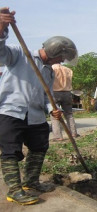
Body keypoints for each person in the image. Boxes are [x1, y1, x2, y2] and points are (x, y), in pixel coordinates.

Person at [0, 7, 77, 205]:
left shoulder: (49, 71)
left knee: (40, 146)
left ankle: (31, 182)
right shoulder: (19, 54)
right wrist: (1, 27)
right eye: (61, 57)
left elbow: (46, 95)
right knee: (10, 151)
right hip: (11, 112)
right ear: (54, 52)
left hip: (35, 115)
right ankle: (15, 191)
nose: (62, 61)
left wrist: (52, 107)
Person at [50, 64, 79, 141]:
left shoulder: (51, 68)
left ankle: (58, 136)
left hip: (55, 92)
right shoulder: (68, 70)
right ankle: (73, 133)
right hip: (67, 93)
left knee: (55, 114)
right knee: (69, 114)